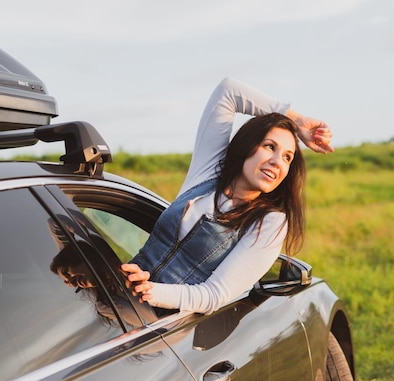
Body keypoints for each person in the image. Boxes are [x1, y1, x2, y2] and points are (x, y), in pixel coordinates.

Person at [121, 77, 333, 315]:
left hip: (161, 327)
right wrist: (298, 120)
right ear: (247, 146)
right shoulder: (208, 174)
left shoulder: (270, 223)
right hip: (118, 301)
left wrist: (150, 290)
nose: (277, 162)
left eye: (287, 157)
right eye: (270, 146)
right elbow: (228, 92)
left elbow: (214, 295)